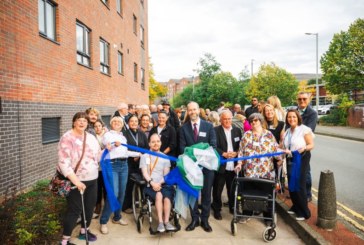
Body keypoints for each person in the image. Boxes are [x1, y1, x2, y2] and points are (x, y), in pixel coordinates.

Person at [58, 112, 100, 244]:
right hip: (75, 181)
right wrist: (76, 182)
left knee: (89, 206)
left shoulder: (91, 137)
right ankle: (65, 241)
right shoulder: (67, 137)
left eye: (85, 121)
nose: (82, 123)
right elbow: (63, 162)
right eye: (79, 120)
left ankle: (84, 231)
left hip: (92, 179)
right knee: (74, 210)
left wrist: (108, 150)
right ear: (74, 122)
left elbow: (97, 156)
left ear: (88, 124)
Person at [234, 113, 281, 225]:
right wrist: (239, 164)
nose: (253, 122)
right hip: (250, 171)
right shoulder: (246, 135)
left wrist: (281, 157)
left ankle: (268, 218)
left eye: (255, 120)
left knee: (267, 195)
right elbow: (241, 152)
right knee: (249, 194)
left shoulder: (268, 135)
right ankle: (247, 214)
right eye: (251, 121)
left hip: (265, 172)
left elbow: (275, 150)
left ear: (260, 121)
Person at [179, 101, 217, 232]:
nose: (192, 112)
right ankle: (194, 219)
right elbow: (182, 148)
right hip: (191, 168)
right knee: (192, 194)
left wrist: (197, 155)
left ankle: (205, 220)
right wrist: (194, 156)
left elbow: (213, 145)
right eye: (190, 110)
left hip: (207, 167)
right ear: (187, 112)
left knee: (206, 194)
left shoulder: (209, 126)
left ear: (199, 110)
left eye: (194, 109)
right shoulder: (183, 129)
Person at [99, 116, 141, 234]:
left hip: (124, 165)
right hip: (112, 165)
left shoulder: (123, 137)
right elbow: (106, 144)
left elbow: (125, 151)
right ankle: (103, 221)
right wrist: (112, 145)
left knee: (122, 193)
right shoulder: (107, 135)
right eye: (115, 121)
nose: (117, 123)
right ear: (111, 124)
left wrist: (140, 153)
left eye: (119, 122)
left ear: (122, 125)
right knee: (113, 193)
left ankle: (117, 217)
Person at [139, 133, 177, 232]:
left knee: (167, 197)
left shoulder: (165, 157)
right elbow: (145, 173)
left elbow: (166, 175)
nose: (156, 143)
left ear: (160, 143)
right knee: (159, 195)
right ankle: (160, 223)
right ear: (149, 144)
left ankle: (166, 222)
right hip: (149, 184)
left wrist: (159, 184)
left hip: (163, 184)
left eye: (158, 141)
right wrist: (152, 183)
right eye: (153, 142)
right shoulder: (145, 157)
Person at [283, 109, 314, 221]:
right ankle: (296, 206)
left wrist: (304, 148)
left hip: (301, 157)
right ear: (287, 119)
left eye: (294, 117)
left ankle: (305, 212)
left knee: (299, 184)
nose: (291, 119)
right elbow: (285, 146)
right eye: (289, 117)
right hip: (290, 157)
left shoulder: (304, 130)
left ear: (298, 118)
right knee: (292, 183)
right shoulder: (287, 131)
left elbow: (311, 145)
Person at [212, 110, 242, 219]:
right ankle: (216, 209)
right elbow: (213, 146)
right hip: (221, 165)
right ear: (220, 120)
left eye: (229, 119)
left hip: (233, 165)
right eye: (225, 119)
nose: (227, 121)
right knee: (217, 189)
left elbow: (241, 145)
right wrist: (223, 153)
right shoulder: (215, 131)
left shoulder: (237, 131)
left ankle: (232, 206)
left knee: (232, 188)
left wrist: (237, 152)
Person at [122, 114, 149, 212]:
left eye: (136, 121)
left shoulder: (141, 133)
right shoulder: (124, 134)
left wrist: (139, 155)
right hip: (128, 162)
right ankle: (126, 205)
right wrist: (133, 155)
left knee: (141, 182)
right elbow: (123, 149)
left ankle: (139, 201)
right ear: (128, 123)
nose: (134, 123)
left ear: (138, 123)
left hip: (140, 162)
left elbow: (146, 148)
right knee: (129, 183)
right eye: (131, 121)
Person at [296, 92, 317, 202]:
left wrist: (295, 132)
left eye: (304, 99)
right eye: (300, 99)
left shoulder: (312, 113)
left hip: (304, 147)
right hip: (293, 147)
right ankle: (296, 194)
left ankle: (308, 194)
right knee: (294, 172)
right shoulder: (294, 111)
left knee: (305, 172)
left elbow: (309, 130)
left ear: (309, 100)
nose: (302, 101)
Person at [263, 104, 285, 191]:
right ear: (264, 113)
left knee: (275, 180)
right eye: (267, 110)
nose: (269, 112)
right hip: (265, 156)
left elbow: (282, 142)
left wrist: (281, 158)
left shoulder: (281, 124)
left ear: (274, 111)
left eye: (271, 110)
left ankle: (273, 198)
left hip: (276, 155)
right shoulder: (261, 124)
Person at [93, 119, 107, 218]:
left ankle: (106, 208)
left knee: (106, 187)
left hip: (106, 166)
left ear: (102, 126)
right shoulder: (93, 137)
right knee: (98, 188)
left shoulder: (107, 136)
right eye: (95, 126)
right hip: (97, 167)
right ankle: (97, 207)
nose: (97, 128)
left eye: (99, 126)